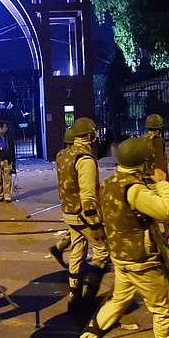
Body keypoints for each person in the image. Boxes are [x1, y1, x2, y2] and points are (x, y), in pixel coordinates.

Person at [72, 137, 169, 338]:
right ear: (141, 163)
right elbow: (168, 211)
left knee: (117, 301)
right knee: (163, 310)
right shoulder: (134, 189)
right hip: (142, 260)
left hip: (121, 256)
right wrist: (162, 184)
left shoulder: (110, 183)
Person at [55, 117, 109, 315]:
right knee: (102, 252)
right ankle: (88, 299)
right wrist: (95, 223)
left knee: (77, 250)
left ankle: (73, 298)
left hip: (68, 212)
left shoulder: (63, 155)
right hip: (83, 214)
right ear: (89, 135)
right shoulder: (85, 159)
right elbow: (87, 194)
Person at [145, 114, 169, 248]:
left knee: (150, 211)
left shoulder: (143, 139)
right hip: (158, 178)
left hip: (146, 179)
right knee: (168, 210)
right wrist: (166, 182)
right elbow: (160, 162)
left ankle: (150, 240)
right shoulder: (157, 140)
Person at [48, 128, 76, 267]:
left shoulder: (61, 155)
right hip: (78, 201)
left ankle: (60, 247)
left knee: (77, 230)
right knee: (89, 235)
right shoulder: (79, 157)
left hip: (66, 198)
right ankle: (76, 274)